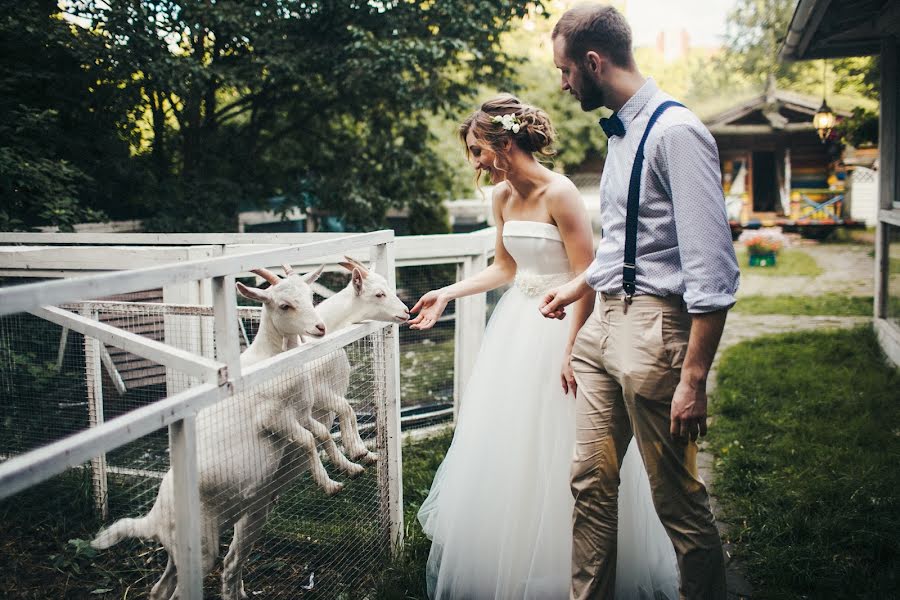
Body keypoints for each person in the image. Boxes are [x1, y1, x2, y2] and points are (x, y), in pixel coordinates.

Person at [412, 93, 679, 599]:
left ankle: (573, 569)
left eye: (476, 150)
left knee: (568, 451)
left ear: (504, 144)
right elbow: (506, 268)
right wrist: (447, 292)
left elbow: (588, 276)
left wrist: (572, 349)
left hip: (564, 326)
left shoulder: (561, 194)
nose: (474, 162)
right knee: (511, 440)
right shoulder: (501, 198)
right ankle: (510, 564)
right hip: (516, 329)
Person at [540, 5, 740, 599]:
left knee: (677, 502)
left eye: (565, 70)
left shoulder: (678, 133)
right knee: (589, 483)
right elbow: (627, 240)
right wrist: (579, 285)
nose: (563, 82)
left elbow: (712, 268)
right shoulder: (623, 130)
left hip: (656, 334)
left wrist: (694, 377)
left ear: (594, 62)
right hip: (602, 329)